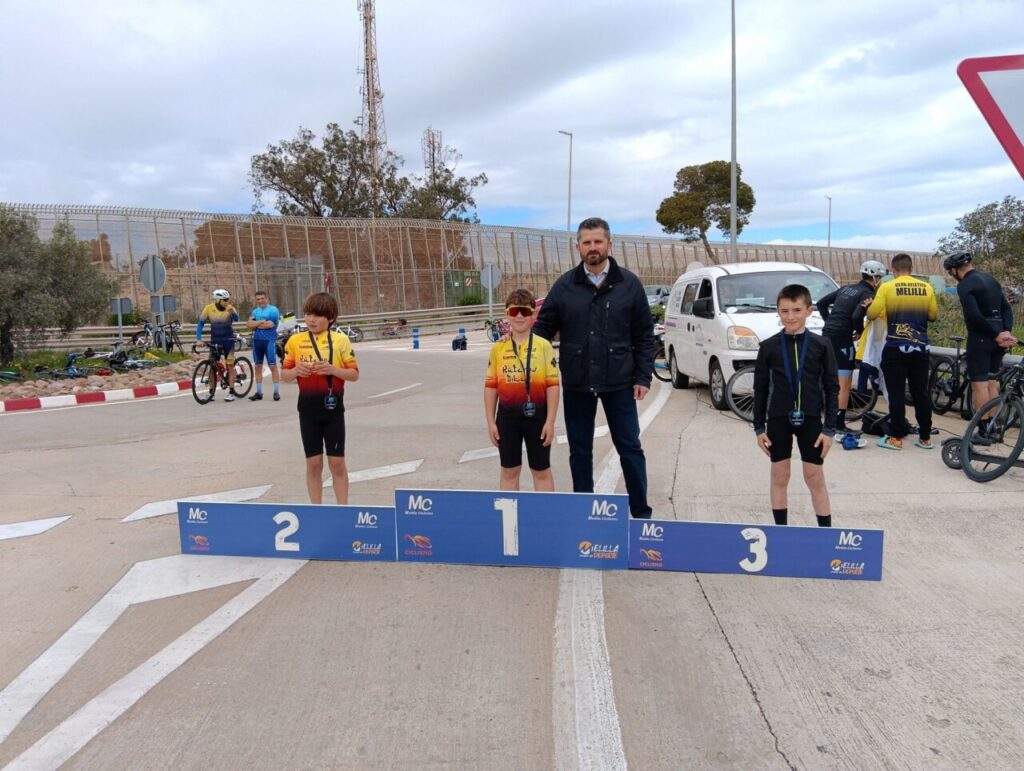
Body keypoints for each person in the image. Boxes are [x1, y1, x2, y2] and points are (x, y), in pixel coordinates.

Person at [533, 217, 656, 519]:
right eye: (586, 242)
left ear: (609, 244)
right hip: (578, 383)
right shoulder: (564, 286)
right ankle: (584, 511)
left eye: (598, 241)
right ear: (578, 247)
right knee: (579, 451)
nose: (592, 247)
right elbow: (542, 332)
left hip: (620, 383)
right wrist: (518, 344)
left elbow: (644, 335)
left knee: (630, 448)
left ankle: (641, 512)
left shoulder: (629, 285)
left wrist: (643, 377)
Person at [753, 284, 839, 528]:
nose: (790, 317)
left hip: (810, 419)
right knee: (780, 476)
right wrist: (759, 428)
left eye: (797, 310)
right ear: (778, 311)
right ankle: (781, 532)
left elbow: (832, 388)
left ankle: (825, 533)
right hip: (778, 419)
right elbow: (760, 389)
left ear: (809, 311)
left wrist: (829, 429)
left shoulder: (822, 345)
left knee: (814, 477)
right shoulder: (768, 346)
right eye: (784, 311)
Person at [281, 292, 359, 504]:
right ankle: (317, 510)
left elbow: (354, 375)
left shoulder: (341, 340)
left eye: (317, 315)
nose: (311, 319)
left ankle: (343, 509)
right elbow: (284, 376)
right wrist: (296, 371)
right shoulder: (295, 341)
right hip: (308, 411)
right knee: (314, 464)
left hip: (333, 410)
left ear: (331, 318)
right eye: (308, 314)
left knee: (337, 464)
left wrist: (333, 370)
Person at [484, 289, 560, 492]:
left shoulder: (544, 346)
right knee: (509, 471)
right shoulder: (498, 348)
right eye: (514, 311)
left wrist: (550, 421)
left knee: (541, 471)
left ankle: (544, 513)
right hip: (507, 419)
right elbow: (491, 387)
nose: (519, 316)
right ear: (507, 315)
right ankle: (510, 513)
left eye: (525, 312)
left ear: (533, 315)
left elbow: (553, 386)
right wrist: (491, 422)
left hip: (538, 417)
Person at [943, 250, 1018, 441]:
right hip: (1000, 336)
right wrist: (1005, 331)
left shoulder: (965, 285)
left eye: (950, 272)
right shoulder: (991, 280)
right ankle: (994, 428)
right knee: (992, 383)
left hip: (981, 337)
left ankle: (983, 430)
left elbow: (974, 316)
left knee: (979, 385)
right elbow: (1006, 308)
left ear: (954, 270)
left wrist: (994, 335)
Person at [865, 253, 937, 450]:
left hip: (895, 347)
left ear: (893, 270)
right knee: (920, 393)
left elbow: (872, 314)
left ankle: (896, 438)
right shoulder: (926, 287)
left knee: (896, 392)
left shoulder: (887, 287)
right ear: (911, 268)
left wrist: (872, 307)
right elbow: (933, 315)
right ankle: (925, 438)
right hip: (920, 347)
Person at [817, 260, 887, 433]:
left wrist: (830, 322)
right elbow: (857, 316)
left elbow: (821, 303)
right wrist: (860, 332)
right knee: (844, 382)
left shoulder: (846, 288)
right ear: (875, 277)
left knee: (830, 379)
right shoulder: (867, 293)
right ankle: (838, 424)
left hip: (828, 335)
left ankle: (829, 421)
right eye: (880, 277)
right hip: (842, 339)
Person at [195, 289, 240, 402]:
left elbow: (236, 319)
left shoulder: (230, 308)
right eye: (225, 299)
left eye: (228, 299)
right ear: (218, 300)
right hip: (215, 340)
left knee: (229, 366)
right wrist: (198, 339)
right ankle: (211, 393)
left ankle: (232, 392)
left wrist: (233, 312)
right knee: (212, 367)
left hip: (228, 340)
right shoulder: (209, 308)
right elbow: (200, 324)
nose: (227, 301)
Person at [247, 290, 281, 401]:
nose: (261, 301)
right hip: (257, 341)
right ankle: (259, 392)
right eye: (258, 299)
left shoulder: (273, 310)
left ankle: (276, 392)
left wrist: (256, 324)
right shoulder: (255, 311)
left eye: (262, 298)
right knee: (257, 366)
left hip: (269, 341)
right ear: (256, 300)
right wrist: (261, 321)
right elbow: (249, 325)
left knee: (272, 366)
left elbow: (269, 325)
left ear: (267, 299)